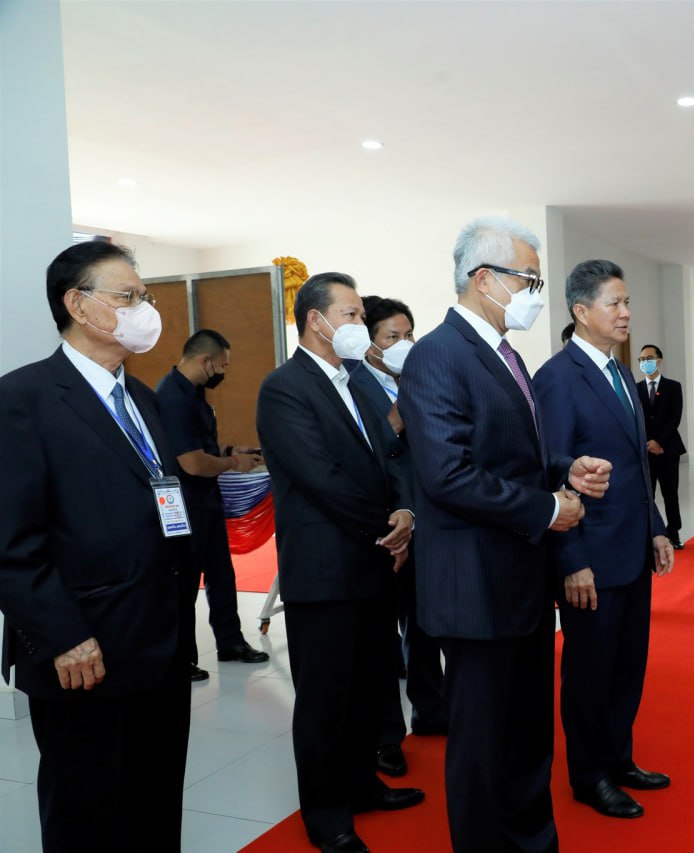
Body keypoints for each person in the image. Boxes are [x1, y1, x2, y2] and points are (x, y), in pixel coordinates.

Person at [397, 217, 611, 853]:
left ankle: (531, 842)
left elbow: (512, 456)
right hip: (476, 586)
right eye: (529, 279)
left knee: (526, 735)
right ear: (485, 278)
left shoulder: (505, 353)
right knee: (484, 746)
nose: (535, 293)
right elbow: (447, 474)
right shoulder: (438, 354)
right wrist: (547, 509)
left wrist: (563, 469)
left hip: (519, 580)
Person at [0, 241, 192, 850]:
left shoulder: (143, 400)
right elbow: (11, 541)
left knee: (154, 803)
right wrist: (62, 636)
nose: (144, 309)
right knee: (88, 815)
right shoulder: (22, 399)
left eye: (145, 296)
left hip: (160, 641)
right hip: (84, 654)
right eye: (128, 297)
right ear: (79, 306)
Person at [257, 273, 423, 853]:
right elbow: (321, 478)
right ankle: (326, 814)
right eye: (351, 315)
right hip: (325, 570)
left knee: (368, 687)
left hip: (373, 562)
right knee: (325, 700)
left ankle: (362, 785)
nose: (360, 325)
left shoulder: (356, 382)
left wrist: (405, 510)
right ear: (316, 320)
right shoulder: (284, 388)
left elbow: (391, 456)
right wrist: (388, 526)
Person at [534, 261, 675, 821]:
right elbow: (551, 474)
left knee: (627, 665)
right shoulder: (558, 378)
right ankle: (588, 776)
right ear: (580, 311)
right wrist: (570, 560)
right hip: (589, 557)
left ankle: (619, 758)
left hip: (631, 550)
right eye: (614, 303)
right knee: (590, 672)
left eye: (627, 302)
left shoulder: (619, 373)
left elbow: (636, 465)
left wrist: (656, 528)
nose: (626, 313)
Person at [347, 295, 448, 781]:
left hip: (426, 513)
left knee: (425, 620)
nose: (404, 344)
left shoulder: (414, 378)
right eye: (393, 336)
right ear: (369, 344)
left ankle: (431, 708)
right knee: (382, 634)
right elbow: (367, 448)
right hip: (383, 522)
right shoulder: (352, 383)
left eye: (409, 335)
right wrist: (402, 410)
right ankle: (386, 736)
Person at [155, 329, 269, 682]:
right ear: (206, 361)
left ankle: (230, 642)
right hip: (185, 506)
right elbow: (191, 462)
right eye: (223, 365)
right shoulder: (172, 397)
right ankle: (180, 658)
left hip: (206, 501)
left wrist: (232, 451)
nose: (223, 372)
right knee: (186, 583)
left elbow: (203, 446)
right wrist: (233, 464)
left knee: (221, 574)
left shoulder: (194, 393)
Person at [636, 344, 686, 549]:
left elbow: (675, 418)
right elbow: (635, 418)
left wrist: (659, 441)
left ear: (659, 361)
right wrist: (648, 443)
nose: (645, 362)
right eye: (641, 359)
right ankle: (649, 534)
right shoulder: (636, 388)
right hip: (645, 451)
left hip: (668, 449)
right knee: (647, 495)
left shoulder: (673, 386)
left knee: (670, 493)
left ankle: (674, 533)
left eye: (649, 358)